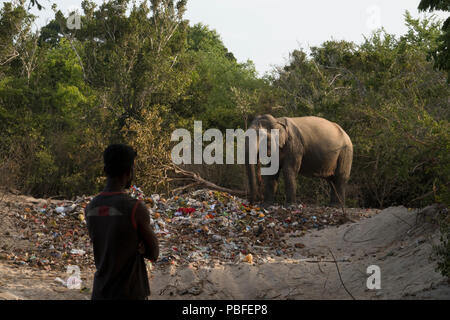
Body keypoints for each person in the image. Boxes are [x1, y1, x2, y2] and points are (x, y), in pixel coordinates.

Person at [85, 144, 159, 300]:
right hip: (129, 293)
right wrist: (141, 247)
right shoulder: (135, 208)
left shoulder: (91, 208)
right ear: (129, 171)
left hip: (100, 293)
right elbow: (154, 253)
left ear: (105, 171)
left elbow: (108, 243)